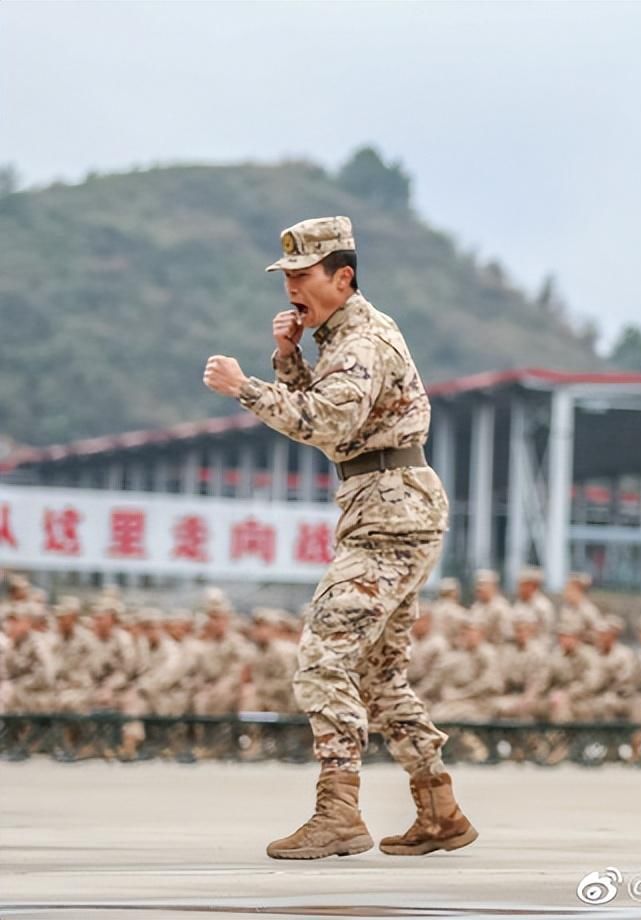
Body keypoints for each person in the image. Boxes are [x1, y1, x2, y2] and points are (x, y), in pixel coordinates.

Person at [203, 216, 475, 859]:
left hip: (389, 515)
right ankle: (439, 808)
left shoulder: (361, 342)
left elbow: (325, 422)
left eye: (302, 276)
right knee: (378, 672)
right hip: (386, 506)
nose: (291, 287)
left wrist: (247, 387)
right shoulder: (341, 338)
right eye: (287, 277)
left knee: (323, 658)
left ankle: (339, 810)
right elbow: (334, 415)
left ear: (342, 277)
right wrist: (292, 356)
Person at [511, 567, 556, 638]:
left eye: (523, 585)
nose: (520, 589)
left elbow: (547, 630)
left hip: (539, 643)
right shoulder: (518, 603)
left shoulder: (543, 605)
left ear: (532, 586)